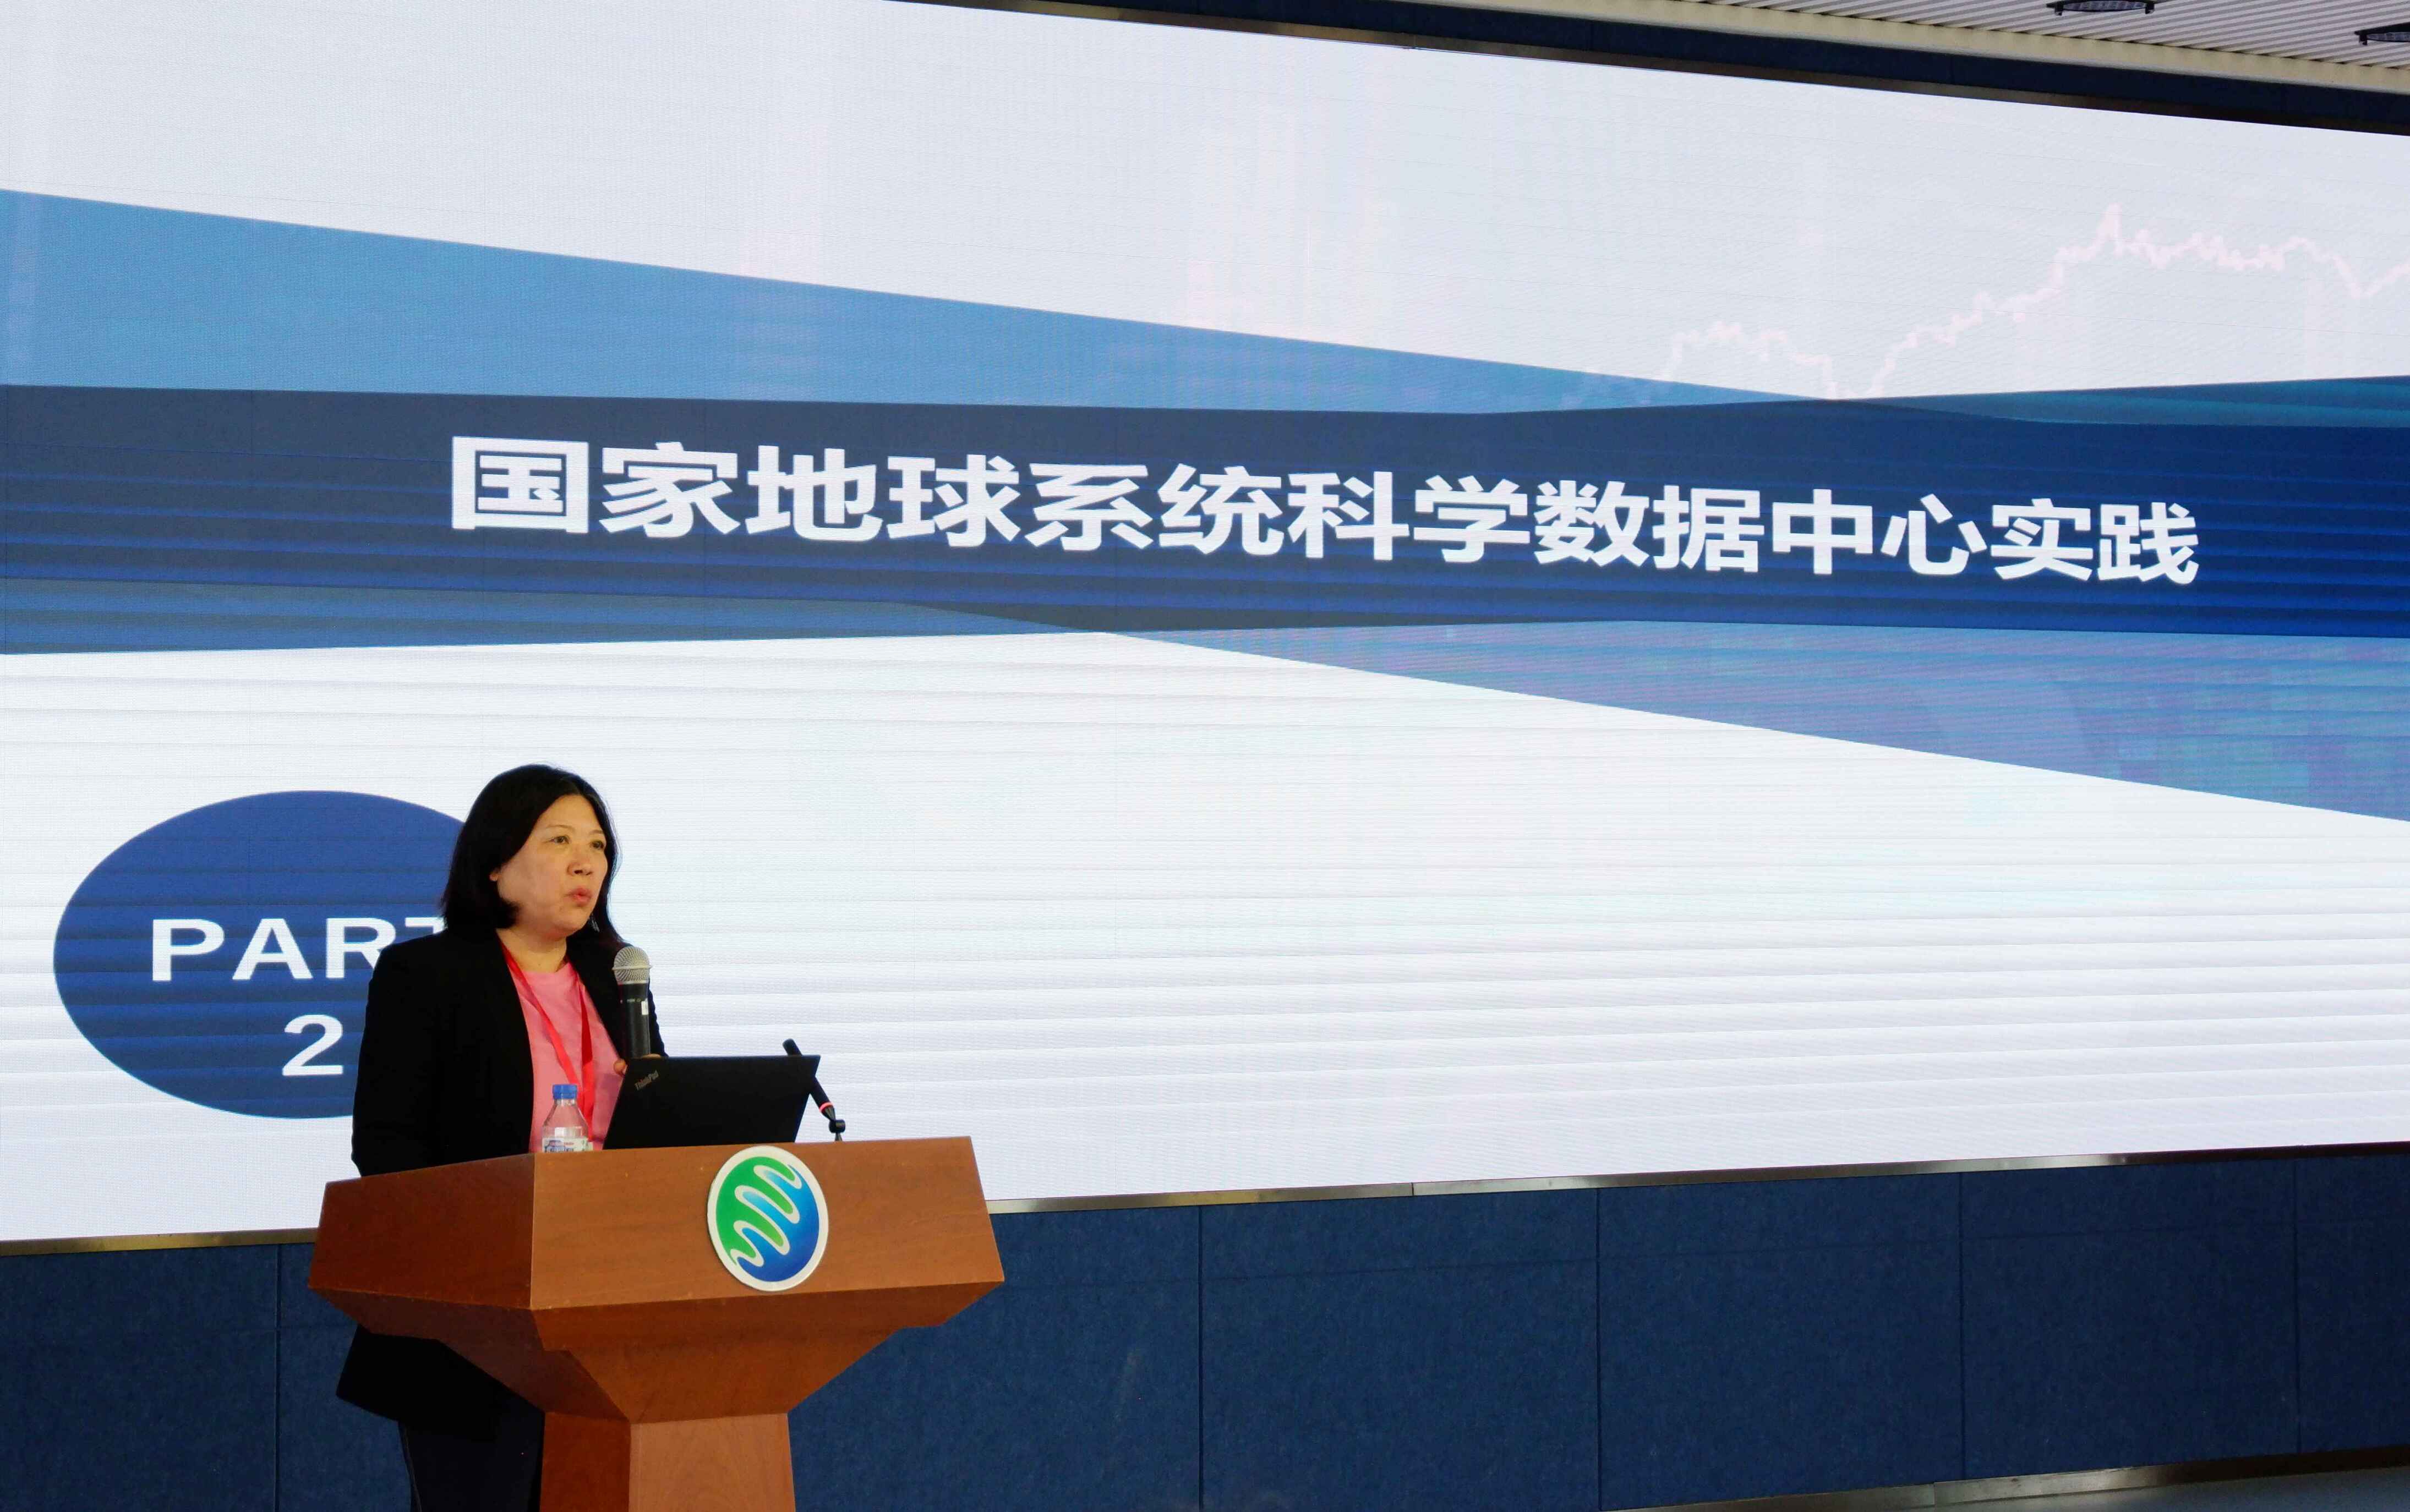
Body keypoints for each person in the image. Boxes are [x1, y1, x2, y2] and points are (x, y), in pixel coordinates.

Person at [336, 764, 658, 1512]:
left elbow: (660, 1135)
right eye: (559, 841)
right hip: (476, 1319)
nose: (586, 863)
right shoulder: (427, 974)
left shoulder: (617, 975)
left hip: (610, 1303)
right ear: (495, 862)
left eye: (598, 846)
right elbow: (387, 1146)